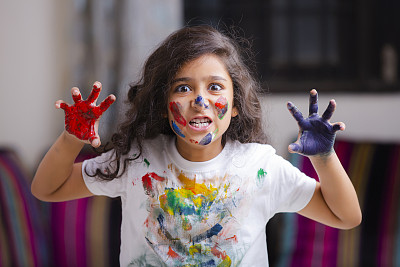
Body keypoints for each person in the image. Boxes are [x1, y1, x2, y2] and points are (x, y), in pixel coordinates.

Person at [31, 25, 361, 266]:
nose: (200, 100)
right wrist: (72, 138)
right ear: (163, 104)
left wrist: (324, 157)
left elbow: (347, 216)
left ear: (234, 106)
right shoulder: (137, 160)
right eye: (184, 88)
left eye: (215, 86)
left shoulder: (261, 167)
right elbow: (47, 189)